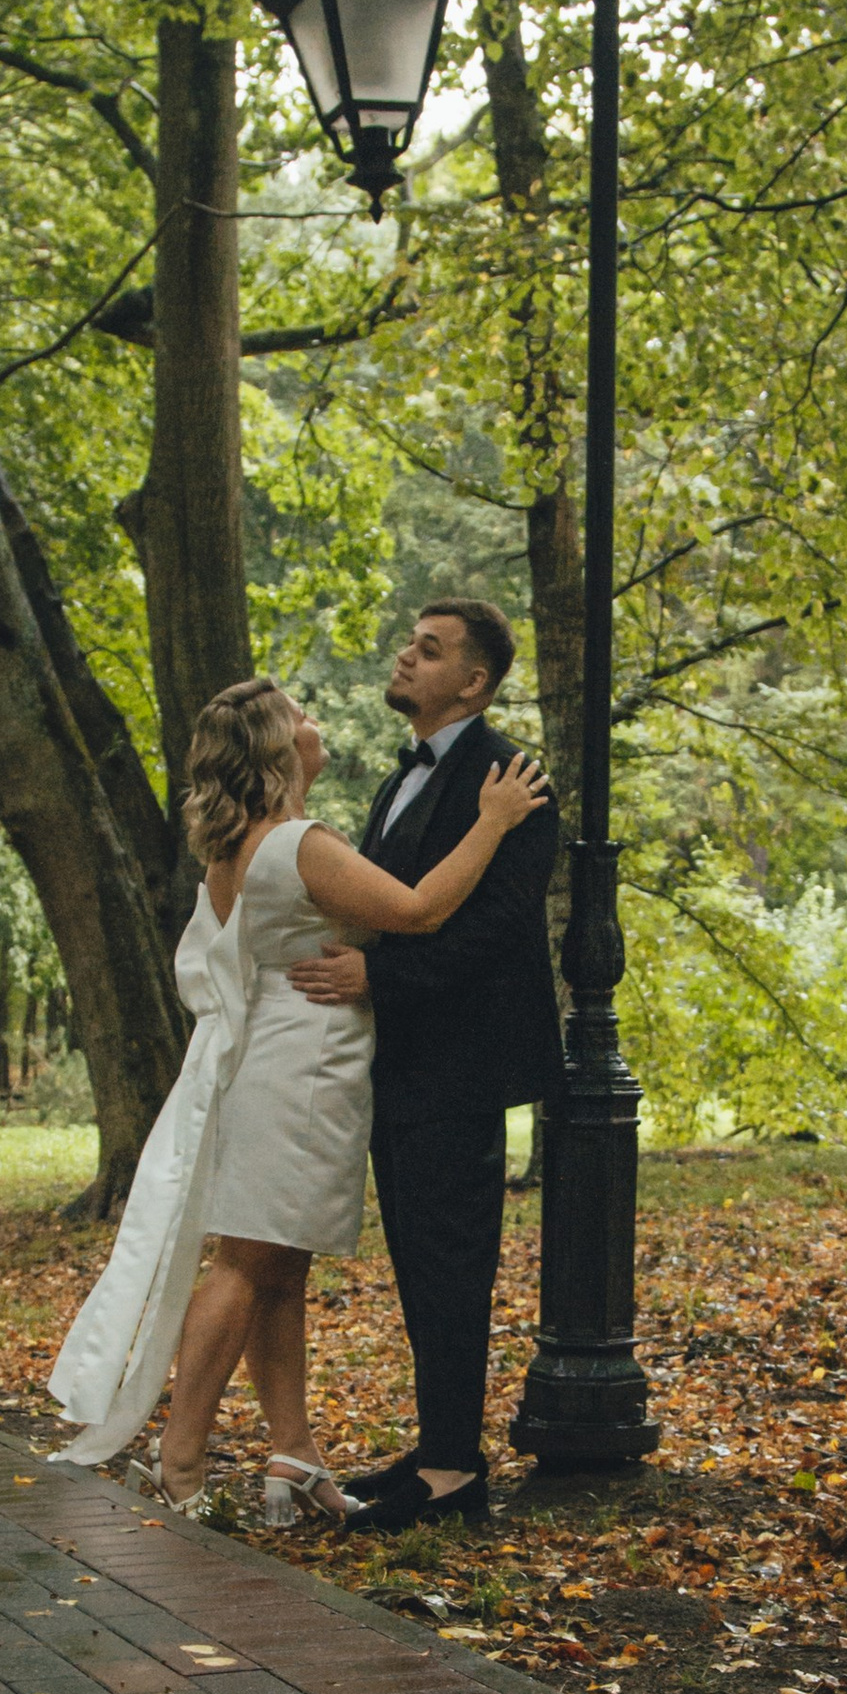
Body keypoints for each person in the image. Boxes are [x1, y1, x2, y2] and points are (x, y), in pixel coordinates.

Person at [46, 672, 547, 1520]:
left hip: (273, 1059)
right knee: (247, 1265)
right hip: (302, 1071)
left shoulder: (233, 848)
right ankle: (181, 1460)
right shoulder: (298, 844)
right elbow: (421, 911)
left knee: (277, 1269)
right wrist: (493, 821)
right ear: (279, 748)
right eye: (301, 716)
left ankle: (294, 1453)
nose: (316, 722)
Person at [285, 598, 563, 1531]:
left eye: (429, 650)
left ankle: (454, 1475)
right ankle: (440, 1447)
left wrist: (379, 973)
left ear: (474, 682)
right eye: (409, 642)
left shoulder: (513, 777)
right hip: (397, 1062)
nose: (406, 656)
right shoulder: (398, 781)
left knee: (451, 1261)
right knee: (418, 1261)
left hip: (462, 1063)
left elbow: (495, 932)